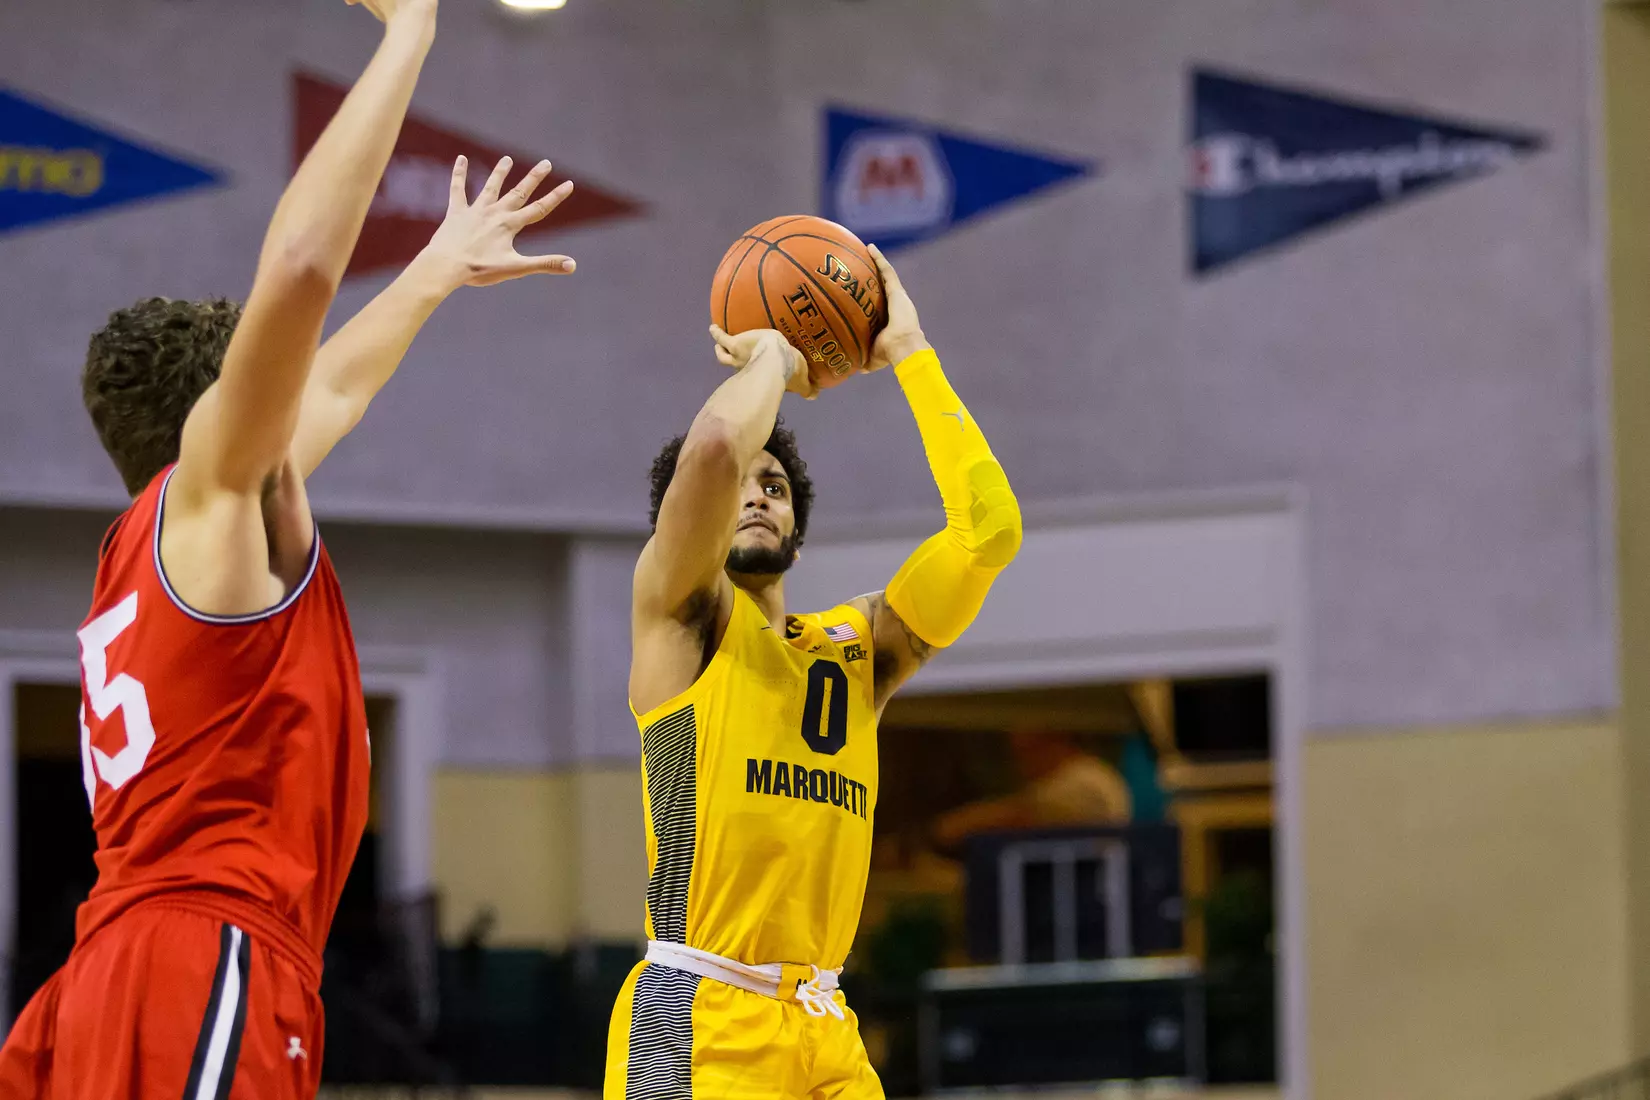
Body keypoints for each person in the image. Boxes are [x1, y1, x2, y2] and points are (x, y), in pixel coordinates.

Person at [0, 1, 579, 1094]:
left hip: (112, 970)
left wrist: (436, 268)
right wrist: (410, 35)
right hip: (197, 954)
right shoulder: (219, 491)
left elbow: (342, 385)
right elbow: (307, 268)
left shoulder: (173, 538)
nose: (290, 389)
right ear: (225, 407)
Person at [606, 247, 1022, 1099]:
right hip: (700, 1014)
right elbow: (719, 447)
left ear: (799, 522)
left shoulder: (857, 648)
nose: (757, 494)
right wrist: (776, 358)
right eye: (743, 491)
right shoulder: (681, 618)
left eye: (778, 487)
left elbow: (989, 534)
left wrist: (910, 351)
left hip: (824, 1025)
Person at [930, 729, 1133, 857]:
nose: (1020, 764)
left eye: (1024, 752)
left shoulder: (1084, 780)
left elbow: (1023, 816)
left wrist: (949, 827)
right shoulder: (1061, 780)